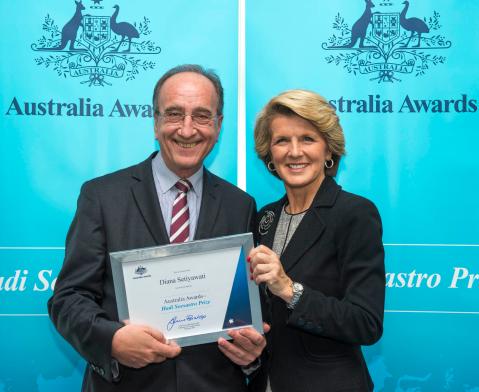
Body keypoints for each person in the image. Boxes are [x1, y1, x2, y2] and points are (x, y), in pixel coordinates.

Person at [48, 64, 267, 392]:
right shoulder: (102, 196)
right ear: (155, 121)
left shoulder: (241, 205)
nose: (187, 129)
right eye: (175, 114)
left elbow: (252, 307)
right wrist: (112, 341)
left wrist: (251, 353)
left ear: (219, 125)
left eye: (202, 116)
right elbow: (68, 298)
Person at [249, 90, 385, 392]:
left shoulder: (355, 214)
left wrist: (289, 289)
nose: (294, 152)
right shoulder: (264, 218)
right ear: (269, 153)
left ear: (328, 150)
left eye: (308, 139)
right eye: (282, 140)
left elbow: (366, 323)